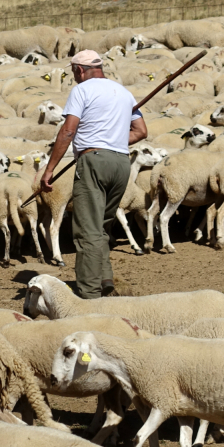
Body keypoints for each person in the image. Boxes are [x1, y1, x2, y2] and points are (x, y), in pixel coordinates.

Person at [39, 50, 147, 299]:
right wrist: (113, 140)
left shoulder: (82, 90)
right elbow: (141, 131)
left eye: (72, 72)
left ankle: (88, 293)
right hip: (121, 163)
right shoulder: (123, 92)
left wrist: (50, 170)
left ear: (78, 70)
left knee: (87, 230)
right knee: (101, 226)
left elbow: (67, 131)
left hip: (94, 162)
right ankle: (105, 277)